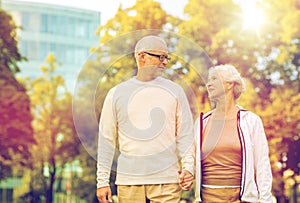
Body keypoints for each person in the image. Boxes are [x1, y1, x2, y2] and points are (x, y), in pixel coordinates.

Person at [96, 35, 194, 203]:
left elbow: (185, 135)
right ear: (142, 56)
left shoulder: (175, 91)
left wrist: (189, 168)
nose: (165, 62)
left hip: (167, 181)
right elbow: (106, 139)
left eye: (167, 58)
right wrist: (102, 181)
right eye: (161, 57)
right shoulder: (117, 93)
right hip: (129, 182)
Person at [181, 64, 273, 202]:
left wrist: (265, 200)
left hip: (240, 199)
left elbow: (262, 165)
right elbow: (190, 153)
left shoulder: (251, 121)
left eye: (214, 79)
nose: (208, 84)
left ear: (230, 84)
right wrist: (188, 170)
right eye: (208, 80)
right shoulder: (202, 122)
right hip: (207, 198)